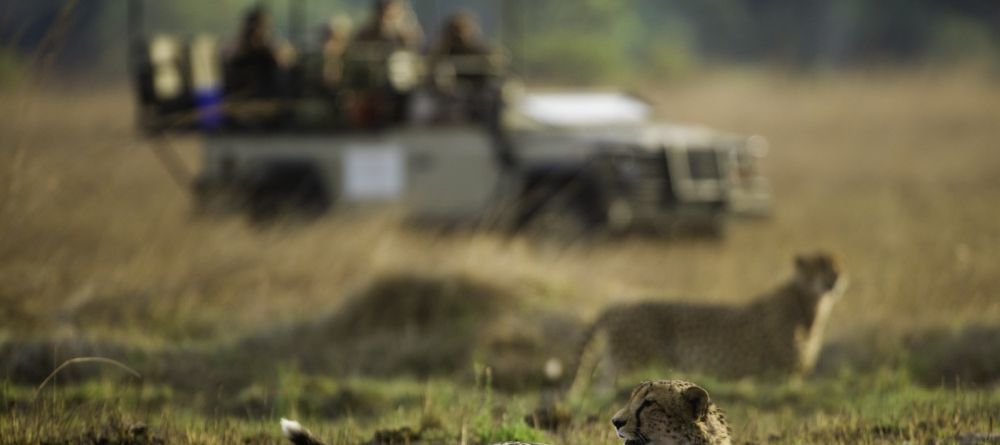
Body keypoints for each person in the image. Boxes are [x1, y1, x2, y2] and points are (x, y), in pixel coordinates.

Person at [353, 0, 422, 50]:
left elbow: (418, 46)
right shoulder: (367, 34)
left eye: (391, 17)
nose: (385, 20)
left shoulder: (409, 33)